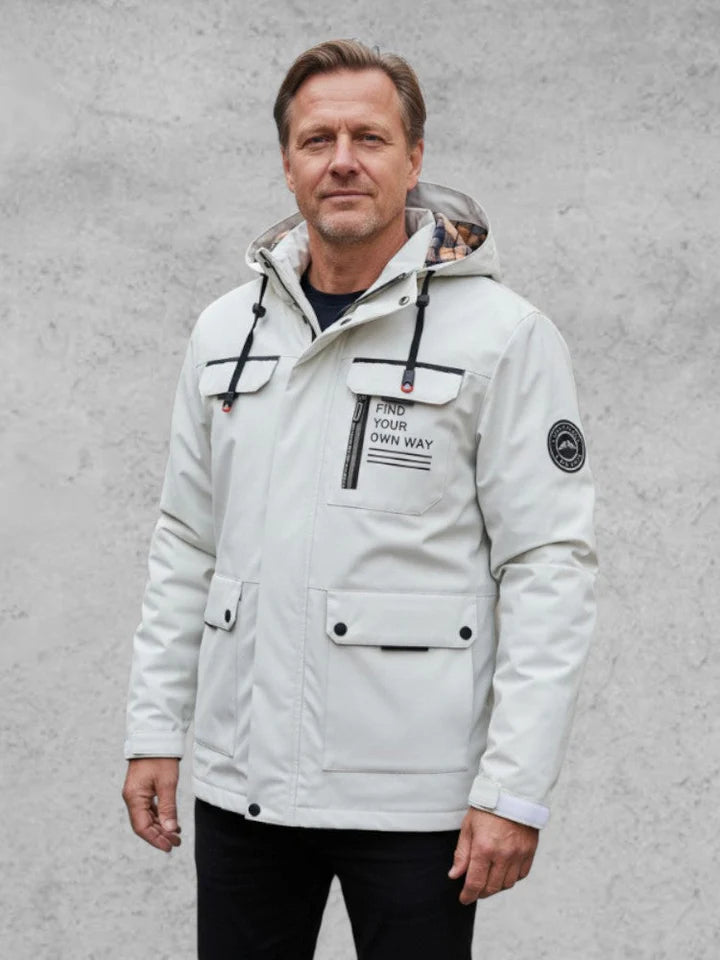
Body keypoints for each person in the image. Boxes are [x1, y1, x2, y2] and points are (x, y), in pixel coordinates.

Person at [122, 39, 597, 960]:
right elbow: (186, 539)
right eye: (318, 139)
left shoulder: (503, 337)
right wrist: (153, 731)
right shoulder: (225, 330)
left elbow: (549, 567)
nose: (343, 160)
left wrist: (513, 789)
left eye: (369, 138)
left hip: (416, 805)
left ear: (413, 159)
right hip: (243, 789)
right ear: (288, 162)